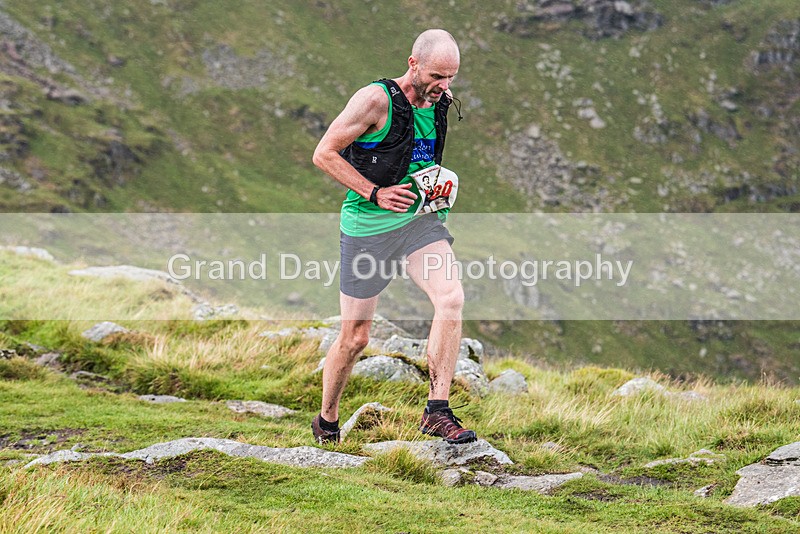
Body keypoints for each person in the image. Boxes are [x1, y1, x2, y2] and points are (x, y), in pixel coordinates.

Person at [311, 29, 476, 445]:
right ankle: (327, 419)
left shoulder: (440, 103)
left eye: (451, 77)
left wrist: (437, 189)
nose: (445, 86)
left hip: (418, 223)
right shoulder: (375, 100)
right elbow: (324, 153)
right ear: (413, 63)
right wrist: (375, 192)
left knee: (451, 298)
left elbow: (416, 158)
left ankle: (437, 411)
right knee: (355, 337)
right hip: (367, 227)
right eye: (438, 76)